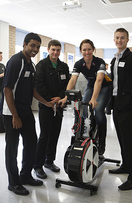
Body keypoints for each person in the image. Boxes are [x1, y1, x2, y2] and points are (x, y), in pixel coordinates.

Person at [3, 33, 53, 196]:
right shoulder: (16, 61)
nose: (35, 49)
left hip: (25, 111)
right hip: (11, 113)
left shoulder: (31, 65)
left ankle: (25, 176)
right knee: (12, 148)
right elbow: (7, 89)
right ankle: (14, 182)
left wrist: (46, 102)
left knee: (31, 143)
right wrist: (15, 116)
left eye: (38, 47)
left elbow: (32, 90)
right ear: (24, 44)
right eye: (32, 45)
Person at [59, 39, 112, 157]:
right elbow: (73, 80)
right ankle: (86, 134)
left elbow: (99, 80)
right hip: (91, 85)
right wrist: (66, 97)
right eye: (84, 50)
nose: (87, 52)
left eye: (89, 49)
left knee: (98, 111)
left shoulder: (100, 62)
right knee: (83, 109)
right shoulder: (78, 64)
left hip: (104, 87)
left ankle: (102, 142)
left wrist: (93, 99)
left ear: (93, 50)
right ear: (80, 51)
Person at [108, 28, 132, 191]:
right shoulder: (115, 59)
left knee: (129, 140)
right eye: (117, 38)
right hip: (116, 103)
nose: (119, 40)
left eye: (122, 38)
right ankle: (125, 165)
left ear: (127, 40)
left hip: (128, 103)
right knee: (122, 138)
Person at [34, 40, 70, 179]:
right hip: (45, 105)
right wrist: (50, 100)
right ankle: (38, 165)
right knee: (44, 135)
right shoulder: (42, 66)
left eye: (58, 50)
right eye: (53, 49)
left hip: (59, 105)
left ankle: (49, 161)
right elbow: (39, 85)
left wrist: (60, 98)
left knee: (55, 134)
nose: (55, 52)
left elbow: (67, 84)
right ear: (48, 49)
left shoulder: (63, 66)